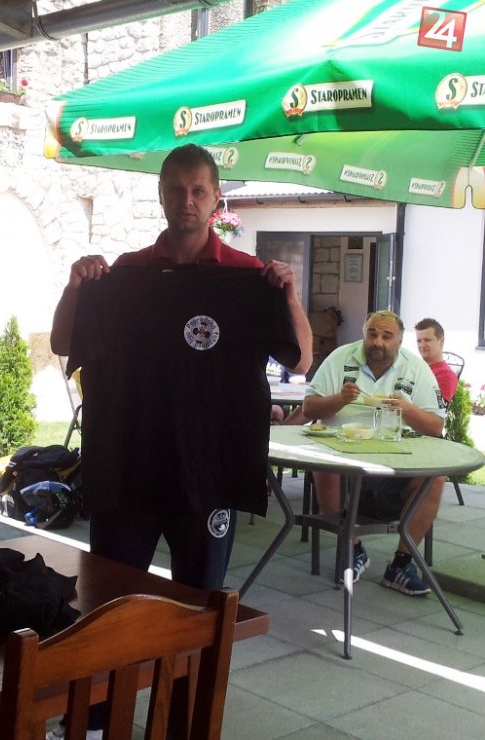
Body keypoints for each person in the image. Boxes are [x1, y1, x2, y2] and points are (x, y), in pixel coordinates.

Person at [46, 143, 312, 740]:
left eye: (198, 191)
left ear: (216, 199)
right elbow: (64, 343)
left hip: (207, 476)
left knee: (198, 612)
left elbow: (300, 358)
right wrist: (76, 286)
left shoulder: (246, 278)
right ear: (161, 195)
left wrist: (288, 294)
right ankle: (93, 720)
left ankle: (183, 725)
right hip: (129, 472)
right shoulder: (125, 275)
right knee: (107, 609)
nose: (186, 201)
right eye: (176, 189)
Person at [302, 310, 445, 596]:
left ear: (399, 341)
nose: (378, 342)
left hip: (397, 460)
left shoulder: (416, 368)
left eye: (386, 336)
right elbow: (309, 408)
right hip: (343, 456)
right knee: (323, 465)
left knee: (435, 479)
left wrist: (407, 410)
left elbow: (435, 426)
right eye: (372, 334)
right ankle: (352, 548)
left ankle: (401, 565)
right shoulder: (340, 358)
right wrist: (339, 399)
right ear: (363, 334)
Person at [415, 317, 457, 402]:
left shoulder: (446, 375)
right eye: (419, 341)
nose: (422, 345)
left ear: (441, 341)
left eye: (427, 340)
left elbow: (436, 410)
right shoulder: (417, 368)